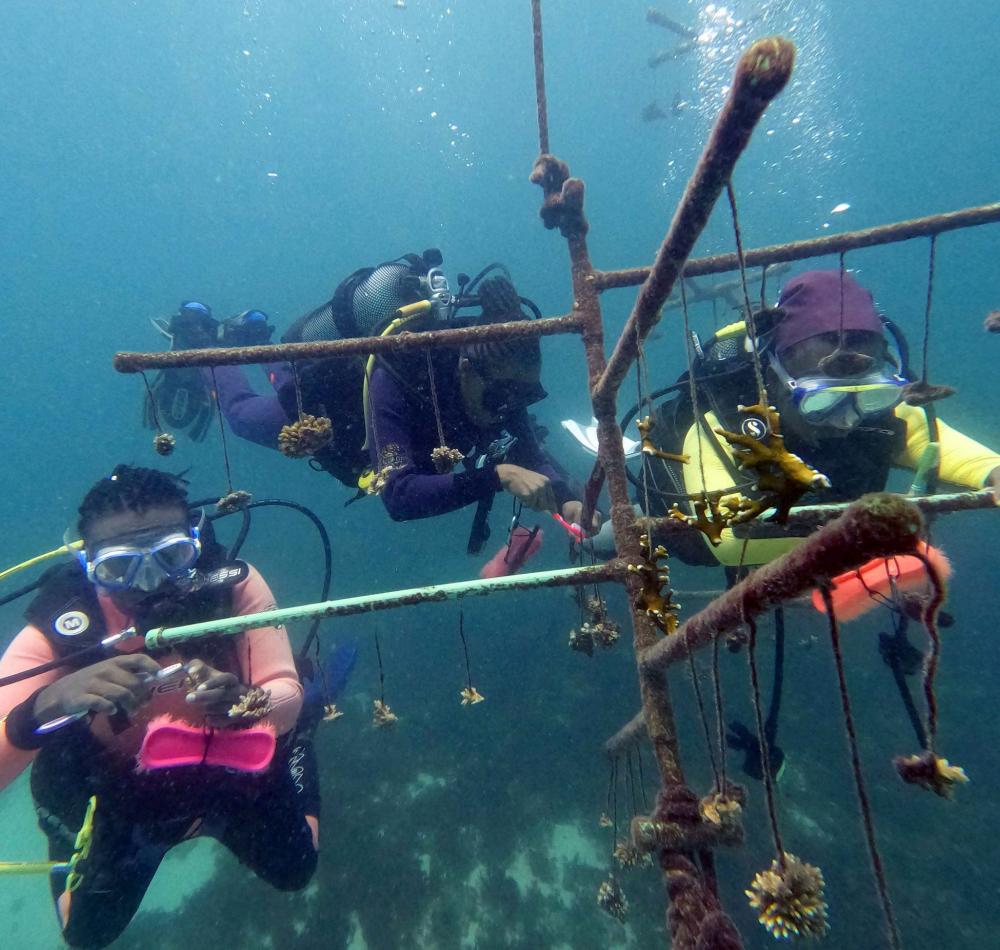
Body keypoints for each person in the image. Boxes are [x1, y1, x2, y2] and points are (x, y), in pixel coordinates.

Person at [625, 269, 1000, 781]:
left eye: (868, 398)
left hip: (817, 524)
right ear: (779, 379)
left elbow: (927, 436)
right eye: (825, 402)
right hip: (708, 527)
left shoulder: (878, 408)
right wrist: (869, 539)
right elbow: (728, 541)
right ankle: (608, 526)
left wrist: (992, 471)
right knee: (637, 533)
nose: (847, 419)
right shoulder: (726, 411)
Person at [0, 466, 319, 949]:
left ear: (195, 543)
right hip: (122, 794)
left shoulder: (233, 586)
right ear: (88, 564)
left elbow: (283, 691)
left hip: (229, 767)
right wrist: (47, 704)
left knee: (296, 869)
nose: (149, 583)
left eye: (171, 556)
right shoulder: (59, 624)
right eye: (119, 568)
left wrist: (248, 705)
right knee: (85, 935)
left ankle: (299, 755)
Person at [181, 251, 597, 551]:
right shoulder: (398, 374)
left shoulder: (501, 385)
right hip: (329, 414)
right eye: (504, 395)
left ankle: (255, 341)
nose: (511, 407)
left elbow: (530, 452)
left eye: (525, 396)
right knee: (241, 414)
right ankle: (205, 343)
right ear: (467, 369)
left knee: (280, 380)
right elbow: (399, 496)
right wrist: (497, 476)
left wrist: (569, 498)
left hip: (372, 407)